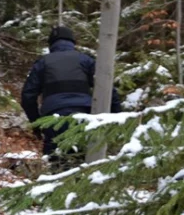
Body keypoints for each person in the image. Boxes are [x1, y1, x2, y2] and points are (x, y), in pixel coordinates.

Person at [20, 26, 121, 167]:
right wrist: (117, 116)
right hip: (85, 115)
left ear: (51, 44)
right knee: (85, 162)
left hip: (53, 118)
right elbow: (108, 89)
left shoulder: (43, 62)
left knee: (56, 163)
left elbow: (28, 97)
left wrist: (37, 124)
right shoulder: (85, 60)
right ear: (73, 42)